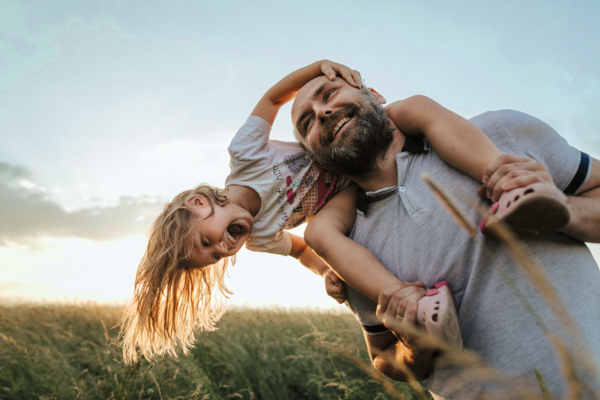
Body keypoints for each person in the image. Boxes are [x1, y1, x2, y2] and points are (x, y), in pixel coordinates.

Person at [118, 60, 568, 368]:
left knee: (414, 106)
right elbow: (299, 250)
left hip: (350, 156)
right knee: (320, 235)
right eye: (216, 256)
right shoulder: (259, 237)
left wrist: (319, 69)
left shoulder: (245, 155)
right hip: (346, 186)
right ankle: (411, 307)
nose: (224, 247)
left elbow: (274, 96)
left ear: (200, 205)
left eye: (206, 241)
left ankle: (508, 181)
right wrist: (330, 274)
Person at [293, 73, 600, 399]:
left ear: (375, 94)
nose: (322, 113)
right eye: (306, 122)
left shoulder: (500, 132)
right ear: (313, 154)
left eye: (329, 93)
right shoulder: (346, 247)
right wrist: (415, 348)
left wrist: (562, 208)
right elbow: (383, 356)